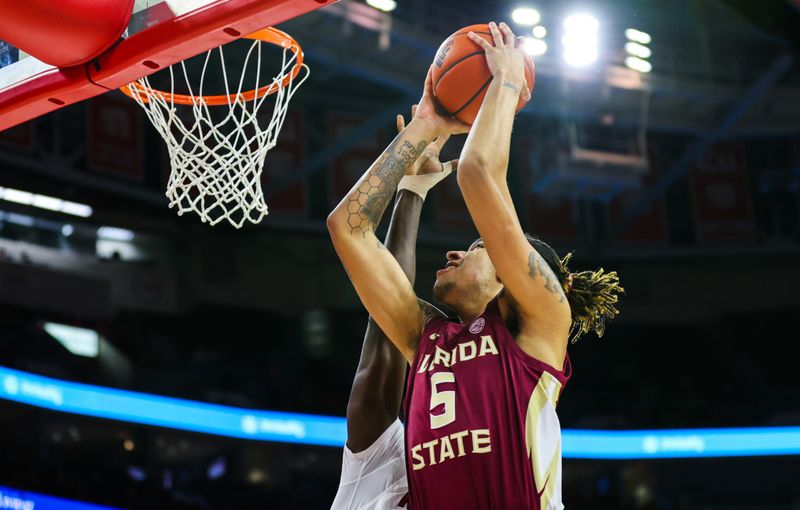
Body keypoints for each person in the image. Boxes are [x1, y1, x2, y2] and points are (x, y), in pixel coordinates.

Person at [327, 21, 623, 509]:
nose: (455, 253)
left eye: (478, 245)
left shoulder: (540, 328)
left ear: (512, 276)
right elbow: (347, 229)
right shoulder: (426, 338)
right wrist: (426, 123)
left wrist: (506, 83)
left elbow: (477, 173)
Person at [331, 108, 456, 510]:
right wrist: (412, 191)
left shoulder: (493, 475)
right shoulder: (391, 463)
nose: (456, 253)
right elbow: (388, 322)